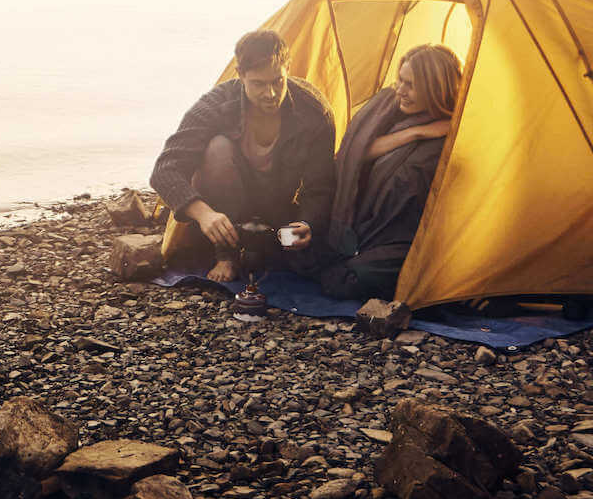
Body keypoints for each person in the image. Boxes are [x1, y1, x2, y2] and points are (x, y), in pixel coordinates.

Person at [149, 30, 337, 282]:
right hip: (223, 216)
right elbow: (165, 170)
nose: (270, 94)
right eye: (259, 84)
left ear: (288, 68)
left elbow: (321, 185)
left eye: (277, 81)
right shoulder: (215, 105)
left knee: (315, 264)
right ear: (240, 75)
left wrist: (308, 223)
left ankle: (265, 250)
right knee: (217, 148)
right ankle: (226, 256)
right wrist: (204, 214)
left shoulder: (314, 111)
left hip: (277, 212)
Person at [283, 43, 462, 300]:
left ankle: (349, 263)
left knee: (346, 281)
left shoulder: (451, 136)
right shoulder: (387, 107)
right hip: (355, 222)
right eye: (400, 80)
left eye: (411, 85)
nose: (400, 90)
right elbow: (355, 152)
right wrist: (415, 133)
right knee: (290, 244)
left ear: (435, 88)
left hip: (396, 236)